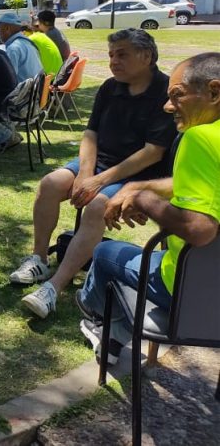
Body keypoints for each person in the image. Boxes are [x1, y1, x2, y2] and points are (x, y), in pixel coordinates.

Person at [10, 29, 176, 319]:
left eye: (121, 54)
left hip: (137, 176)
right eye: (111, 54)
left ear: (146, 56)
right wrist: (86, 174)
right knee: (50, 183)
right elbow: (90, 133)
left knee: (98, 205)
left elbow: (153, 152)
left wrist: (98, 182)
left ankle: (53, 288)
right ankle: (38, 259)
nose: (113, 61)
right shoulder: (110, 87)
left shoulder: (163, 93)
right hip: (98, 164)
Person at [77, 52, 220, 365]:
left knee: (103, 254)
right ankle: (113, 331)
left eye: (177, 95)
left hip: (190, 290)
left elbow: (201, 229)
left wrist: (143, 200)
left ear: (214, 92)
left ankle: (102, 322)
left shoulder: (199, 138)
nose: (167, 106)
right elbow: (204, 184)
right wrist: (137, 187)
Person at [0, 14, 43, 83]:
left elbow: (8, 80)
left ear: (7, 28)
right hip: (35, 90)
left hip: (24, 92)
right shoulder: (27, 42)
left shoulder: (13, 48)